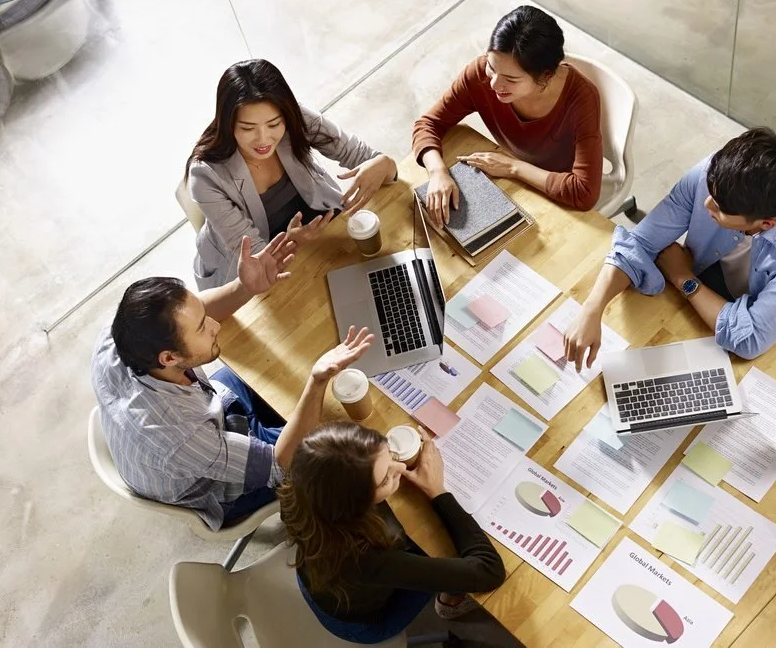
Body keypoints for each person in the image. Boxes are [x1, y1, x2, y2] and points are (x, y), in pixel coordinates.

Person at [91, 231, 375, 530]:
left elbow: (193, 316)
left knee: (285, 380)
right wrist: (317, 382)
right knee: (345, 449)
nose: (215, 325)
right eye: (202, 328)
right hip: (214, 486)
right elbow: (281, 466)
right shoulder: (179, 437)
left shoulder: (120, 333)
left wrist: (244, 287)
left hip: (201, 420)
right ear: (169, 358)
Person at [564, 127, 776, 366]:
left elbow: (750, 340)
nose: (706, 204)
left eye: (720, 208)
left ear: (767, 223)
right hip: (713, 282)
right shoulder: (717, 175)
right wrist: (592, 308)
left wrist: (683, 277)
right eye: (710, 193)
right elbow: (640, 244)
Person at [280, 423, 505, 643]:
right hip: (361, 624)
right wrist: (438, 491)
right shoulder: (368, 558)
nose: (400, 468)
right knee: (437, 551)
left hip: (322, 584)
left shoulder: (303, 488)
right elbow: (490, 571)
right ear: (356, 506)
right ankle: (450, 603)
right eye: (386, 478)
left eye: (390, 454)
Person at [188, 58, 398, 289]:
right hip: (252, 264)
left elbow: (361, 155)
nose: (263, 139)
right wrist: (292, 242)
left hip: (314, 227)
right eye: (248, 128)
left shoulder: (295, 118)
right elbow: (255, 257)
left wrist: (384, 163)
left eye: (273, 124)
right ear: (227, 124)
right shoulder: (204, 176)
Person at [412, 5, 603, 226]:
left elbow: (584, 192)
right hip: (511, 179)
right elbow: (428, 123)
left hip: (553, 188)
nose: (493, 84)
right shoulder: (479, 75)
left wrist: (513, 167)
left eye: (511, 80)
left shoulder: (581, 99)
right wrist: (437, 172)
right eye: (492, 67)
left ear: (546, 76)